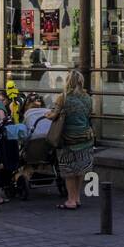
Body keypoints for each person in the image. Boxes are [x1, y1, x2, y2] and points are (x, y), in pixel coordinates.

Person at [50, 70, 95, 210]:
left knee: (69, 171)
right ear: (81, 82)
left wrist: (47, 114)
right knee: (80, 169)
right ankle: (77, 198)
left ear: (68, 82)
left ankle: (71, 200)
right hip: (86, 138)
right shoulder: (88, 98)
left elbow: (54, 115)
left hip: (68, 139)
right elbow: (88, 115)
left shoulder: (62, 97)